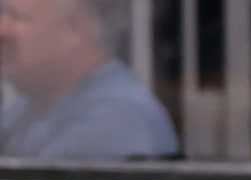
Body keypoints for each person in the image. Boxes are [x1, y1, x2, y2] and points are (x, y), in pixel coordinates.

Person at [0, 0, 178, 159]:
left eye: (17, 17)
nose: (2, 30)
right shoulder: (28, 110)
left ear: (73, 28)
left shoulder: (117, 123)